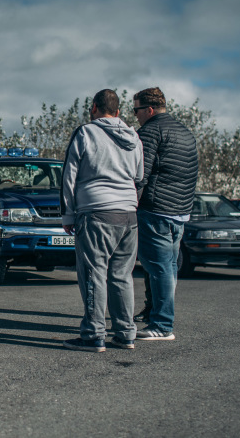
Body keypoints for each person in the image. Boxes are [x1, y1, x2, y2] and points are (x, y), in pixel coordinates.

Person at [60, 89, 144, 352]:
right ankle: (125, 333)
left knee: (94, 273)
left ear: (94, 107)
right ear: (118, 112)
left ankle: (94, 335)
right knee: (122, 275)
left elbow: (69, 176)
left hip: (96, 212)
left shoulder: (86, 133)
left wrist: (68, 213)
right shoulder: (134, 137)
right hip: (129, 214)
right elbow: (139, 177)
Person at [132, 87, 198, 341]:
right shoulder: (185, 132)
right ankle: (159, 318)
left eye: (136, 109)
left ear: (148, 109)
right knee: (168, 267)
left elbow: (140, 174)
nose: (135, 115)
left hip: (155, 209)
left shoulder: (150, 131)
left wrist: (129, 204)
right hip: (179, 211)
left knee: (159, 268)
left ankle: (161, 325)